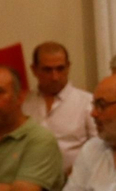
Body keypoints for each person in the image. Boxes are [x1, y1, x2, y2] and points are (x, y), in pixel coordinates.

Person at [24, 41, 96, 172]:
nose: (55, 77)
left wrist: (79, 171)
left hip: (76, 181)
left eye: (60, 69)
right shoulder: (24, 104)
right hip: (31, 181)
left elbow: (101, 149)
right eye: (47, 70)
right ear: (34, 70)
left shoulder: (88, 103)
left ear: (68, 67)